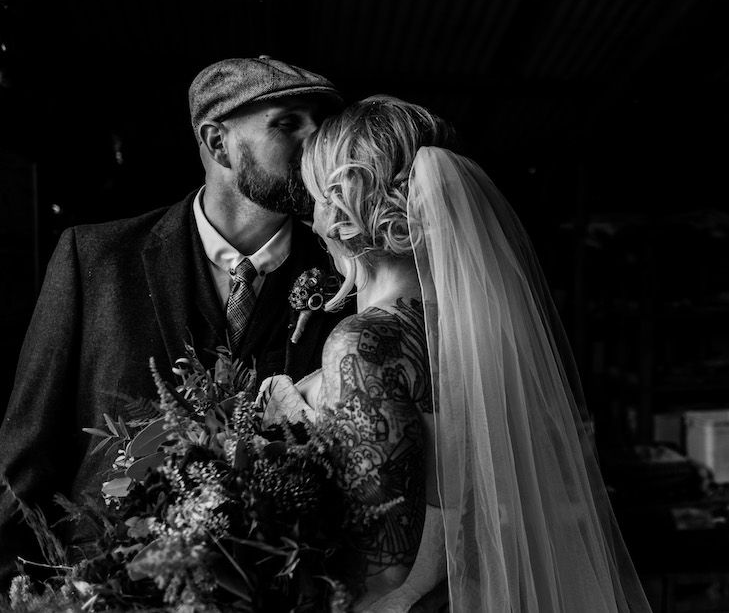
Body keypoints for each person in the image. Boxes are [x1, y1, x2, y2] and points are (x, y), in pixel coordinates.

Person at [258, 96, 652, 612]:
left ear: (341, 208)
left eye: (315, 198)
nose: (312, 220)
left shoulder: (366, 343)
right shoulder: (483, 330)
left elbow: (383, 576)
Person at [0, 56, 350, 586]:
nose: (316, 141)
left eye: (320, 125)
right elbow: (24, 460)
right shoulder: (94, 258)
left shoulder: (348, 277)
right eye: (287, 123)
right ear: (216, 143)